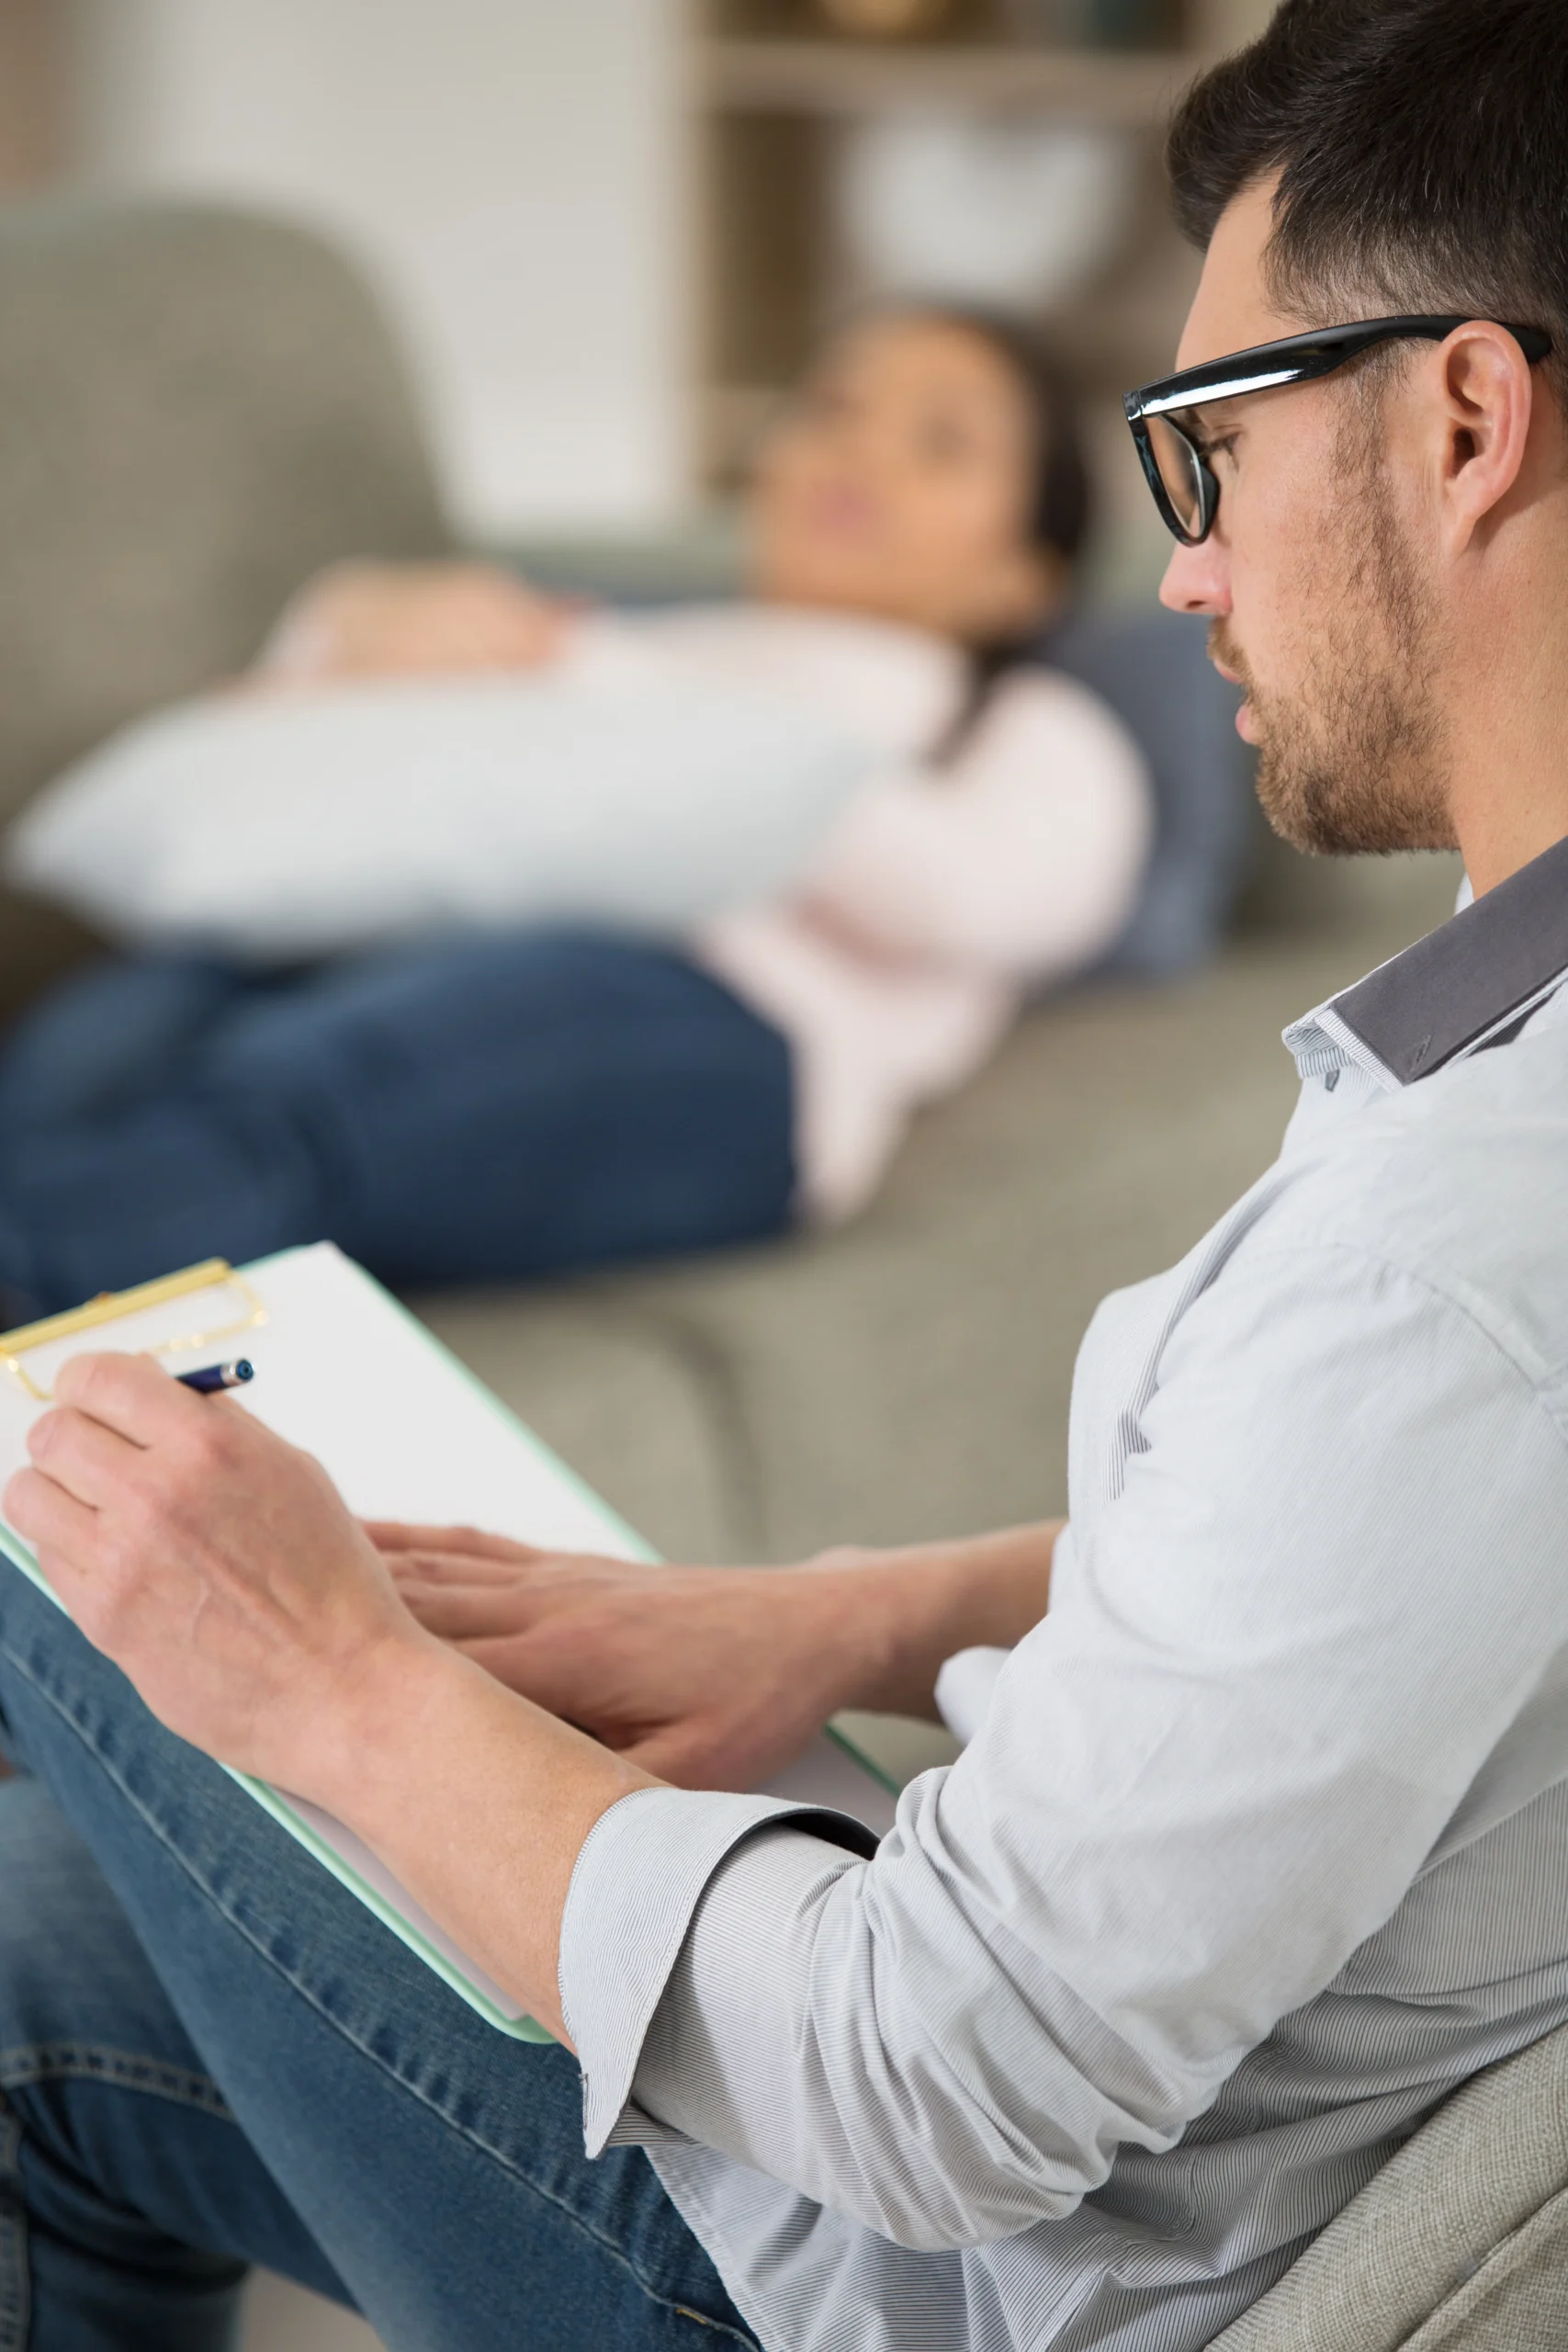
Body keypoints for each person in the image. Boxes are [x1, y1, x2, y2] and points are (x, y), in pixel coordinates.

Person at [4, 1, 1568, 2346]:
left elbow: (931, 2081)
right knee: (32, 1954)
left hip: (905, 2259)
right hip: (1025, 2110)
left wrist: (326, 1676)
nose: (1185, 575)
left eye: (1203, 451)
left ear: (1457, 421)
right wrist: (825, 1618)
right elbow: (1405, 1558)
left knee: (65, 1497)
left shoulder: (1451, 1247)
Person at [0, 302, 1151, 1321]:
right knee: (89, 1054)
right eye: (832, 405)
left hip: (715, 1023)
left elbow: (982, 895)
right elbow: (299, 774)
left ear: (1025, 576)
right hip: (395, 933)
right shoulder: (628, 641)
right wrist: (349, 622)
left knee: (303, 1098)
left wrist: (598, 689)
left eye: (939, 441)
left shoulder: (1025, 729)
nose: (859, 447)